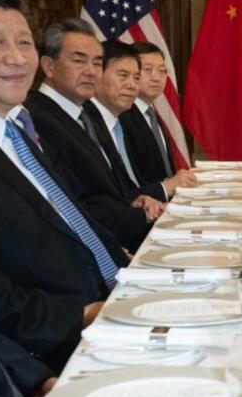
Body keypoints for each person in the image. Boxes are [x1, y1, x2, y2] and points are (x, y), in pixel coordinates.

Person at [0, 0, 125, 370]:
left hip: (111, 300)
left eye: (24, 43)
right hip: (52, 344)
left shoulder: (14, 129)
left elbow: (70, 219)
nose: (17, 58)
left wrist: (129, 268)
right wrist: (82, 315)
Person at [25, 18, 163, 251]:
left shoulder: (86, 112)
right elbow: (72, 206)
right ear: (48, 66)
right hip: (99, 250)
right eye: (79, 61)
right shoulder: (38, 118)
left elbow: (106, 190)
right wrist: (145, 217)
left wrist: (136, 201)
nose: (91, 71)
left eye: (97, 63)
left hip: (121, 234)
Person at [82, 40, 171, 202]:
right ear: (97, 74)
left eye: (136, 77)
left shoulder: (116, 122)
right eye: (123, 75)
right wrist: (165, 188)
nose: (131, 85)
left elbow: (130, 184)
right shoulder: (86, 122)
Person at [118, 42, 197, 198]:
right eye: (148, 70)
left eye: (162, 71)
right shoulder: (122, 117)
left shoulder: (151, 114)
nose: (156, 77)